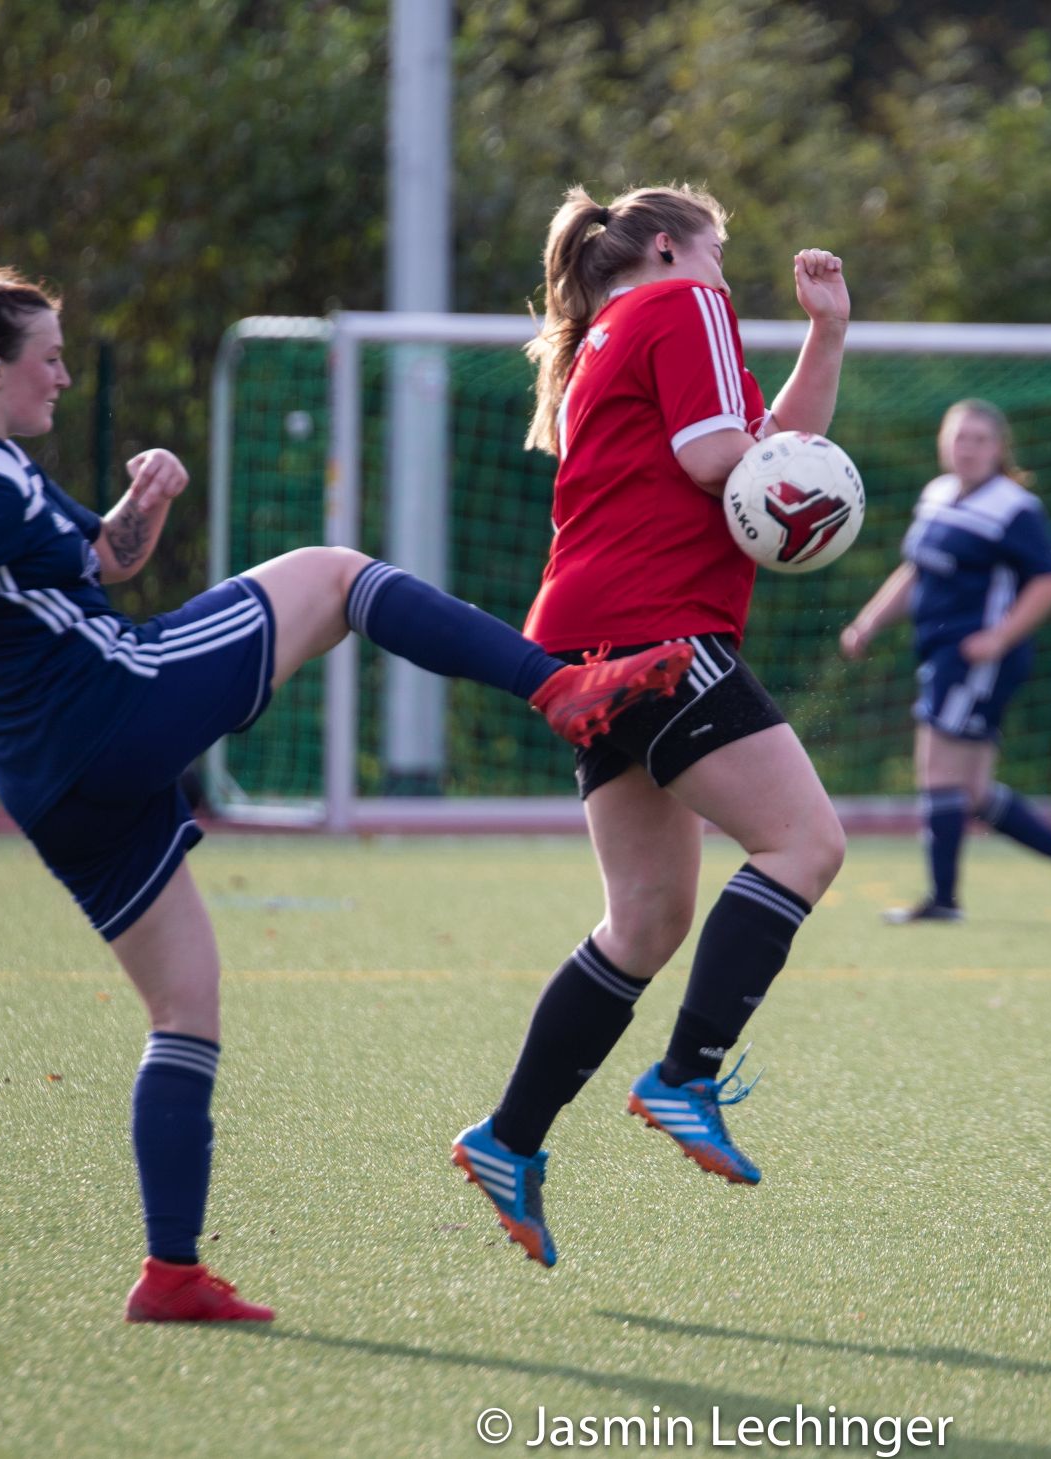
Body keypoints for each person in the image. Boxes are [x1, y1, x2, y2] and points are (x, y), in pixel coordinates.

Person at [0, 268, 694, 1319]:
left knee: (184, 1006)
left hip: (50, 787)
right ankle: (558, 686)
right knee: (335, 574)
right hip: (114, 708)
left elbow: (100, 561)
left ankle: (170, 1274)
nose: (62, 377)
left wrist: (144, 503)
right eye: (49, 358)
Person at [447, 185, 852, 1268]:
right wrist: (810, 504)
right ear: (669, 247)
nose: (726, 275)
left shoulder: (609, 332)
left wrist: (825, 335)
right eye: (719, 252)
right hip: (656, 630)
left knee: (645, 919)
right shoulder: (686, 305)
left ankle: (508, 1138)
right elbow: (723, 461)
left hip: (583, 642)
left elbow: (759, 448)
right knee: (805, 845)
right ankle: (685, 1076)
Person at [841, 399, 1051, 922]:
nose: (968, 448)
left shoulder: (1014, 507)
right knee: (972, 791)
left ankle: (943, 900)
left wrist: (999, 637)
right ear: (943, 443)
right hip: (941, 652)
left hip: (975, 658)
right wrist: (869, 621)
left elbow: (1050, 583)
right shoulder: (937, 495)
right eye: (960, 437)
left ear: (999, 448)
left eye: (980, 439)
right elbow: (916, 570)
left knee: (936, 767)